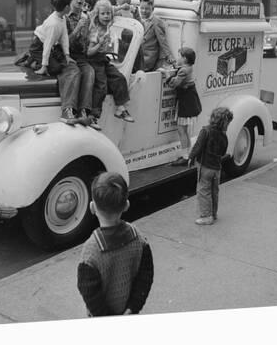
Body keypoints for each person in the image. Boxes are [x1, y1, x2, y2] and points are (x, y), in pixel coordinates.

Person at [77, 171, 154, 317]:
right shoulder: (139, 239)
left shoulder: (91, 251)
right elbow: (145, 277)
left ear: (92, 207)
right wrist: (132, 308)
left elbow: (89, 293)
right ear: (126, 205)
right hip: (130, 312)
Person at [18, 0, 81, 125]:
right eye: (70, 4)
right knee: (55, 69)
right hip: (38, 47)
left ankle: (36, 61)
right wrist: (44, 66)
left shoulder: (62, 18)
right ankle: (31, 59)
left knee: (60, 65)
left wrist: (67, 55)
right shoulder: (53, 24)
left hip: (47, 45)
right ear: (65, 7)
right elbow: (47, 46)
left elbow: (64, 36)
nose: (71, 6)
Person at [72, 0, 135, 124]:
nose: (106, 16)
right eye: (103, 14)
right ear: (97, 15)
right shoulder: (95, 31)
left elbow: (111, 9)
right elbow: (89, 52)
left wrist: (121, 6)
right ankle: (94, 115)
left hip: (103, 58)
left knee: (119, 77)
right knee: (101, 85)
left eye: (108, 14)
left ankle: (120, 107)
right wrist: (100, 44)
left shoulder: (107, 23)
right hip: (93, 59)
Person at [189, 107, 234, 225]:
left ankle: (206, 216)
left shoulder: (205, 131)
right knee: (214, 191)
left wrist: (191, 157)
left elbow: (198, 147)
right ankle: (213, 213)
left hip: (205, 167)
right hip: (217, 169)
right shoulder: (224, 136)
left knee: (204, 191)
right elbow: (223, 152)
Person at [66, 0, 97, 128]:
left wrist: (95, 39)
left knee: (90, 72)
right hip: (66, 55)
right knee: (75, 73)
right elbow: (65, 43)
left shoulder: (87, 17)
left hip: (81, 56)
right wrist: (78, 28)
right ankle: (69, 110)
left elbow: (86, 44)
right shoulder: (65, 16)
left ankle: (84, 111)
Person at [167, 46, 202, 165]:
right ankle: (188, 155)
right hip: (189, 101)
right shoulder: (188, 68)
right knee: (185, 131)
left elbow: (174, 84)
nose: (178, 58)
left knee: (181, 130)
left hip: (186, 103)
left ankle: (186, 157)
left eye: (180, 56)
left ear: (185, 58)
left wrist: (166, 75)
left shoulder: (183, 70)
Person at [138, 0, 175, 71]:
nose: (144, 11)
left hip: (149, 58)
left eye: (147, 9)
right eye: (142, 8)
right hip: (138, 56)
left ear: (153, 9)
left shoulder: (157, 22)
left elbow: (163, 41)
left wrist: (170, 56)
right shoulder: (139, 20)